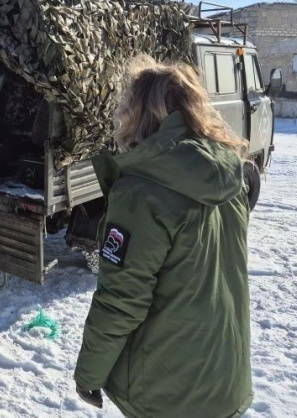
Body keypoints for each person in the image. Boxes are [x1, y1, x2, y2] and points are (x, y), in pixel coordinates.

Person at [73, 56, 253, 418]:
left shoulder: (141, 193)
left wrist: (88, 375)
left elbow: (122, 300)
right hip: (224, 381)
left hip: (167, 392)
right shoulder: (228, 171)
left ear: (138, 113)